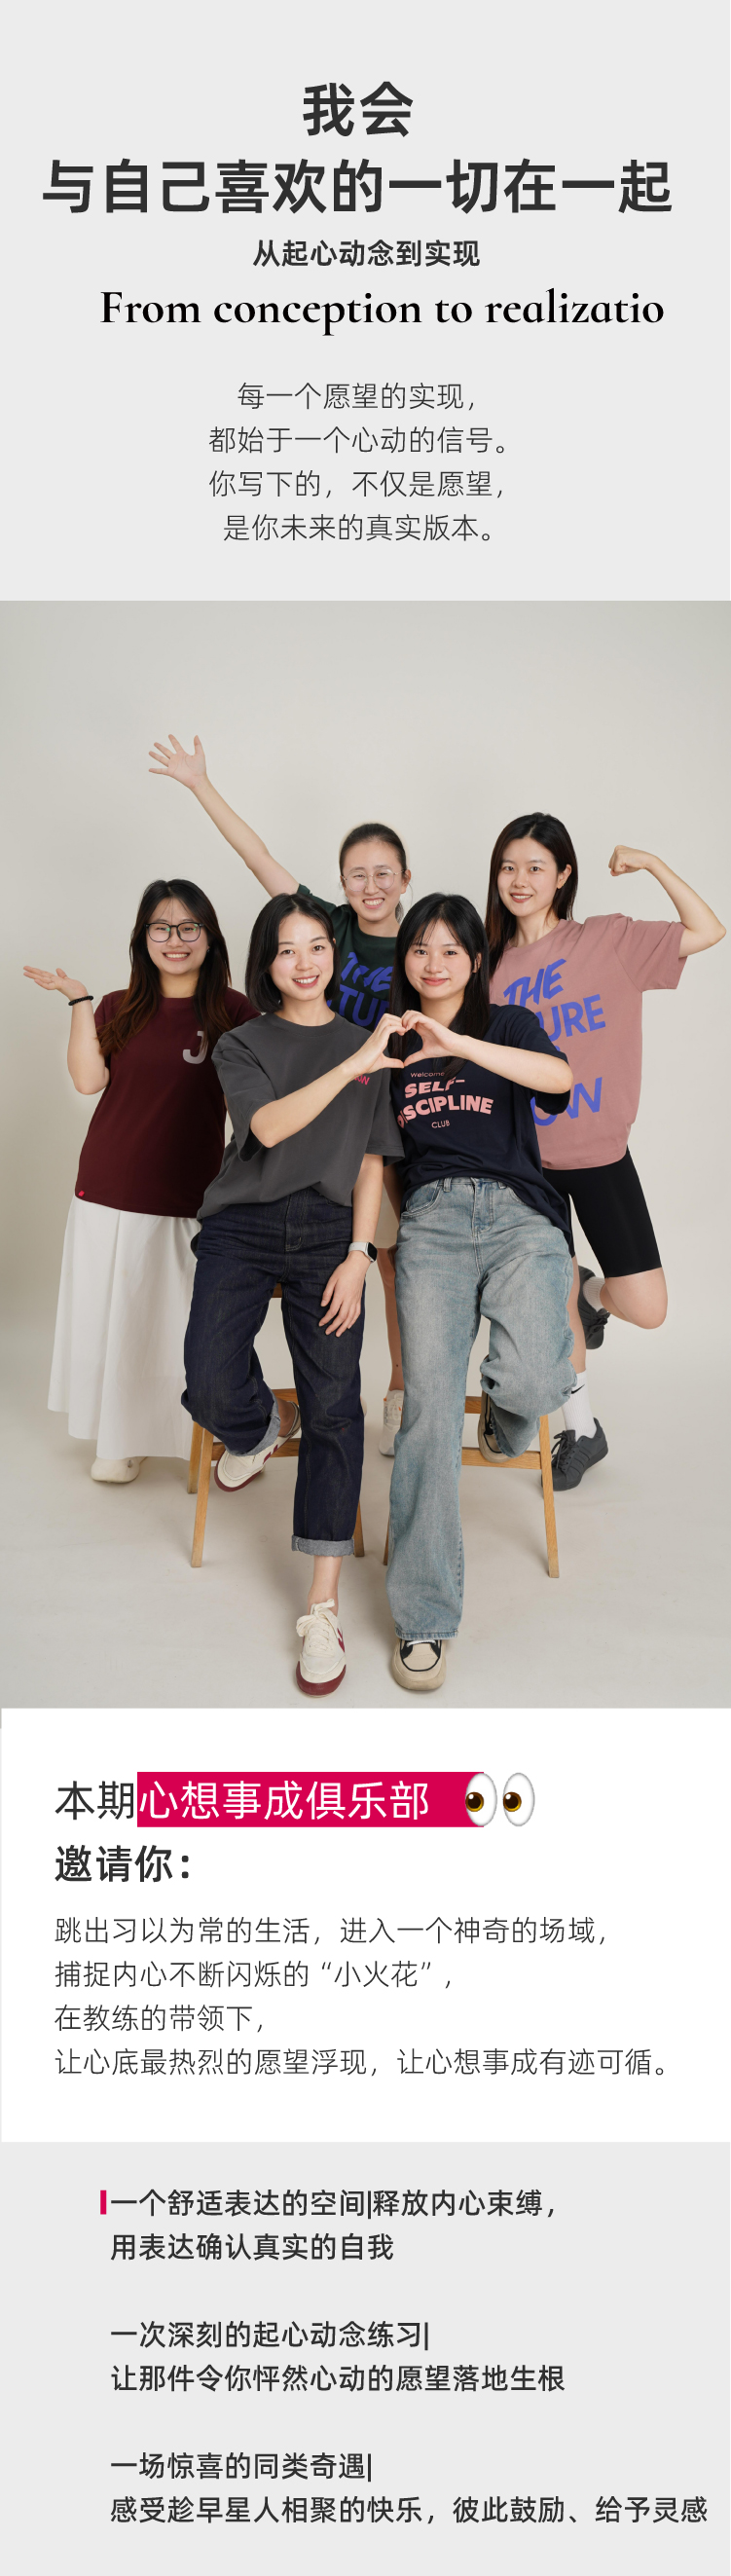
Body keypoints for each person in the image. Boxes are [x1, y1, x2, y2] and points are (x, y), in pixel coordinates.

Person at [149, 729, 410, 1454]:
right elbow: (257, 856)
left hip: (389, 1101)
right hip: (315, 1099)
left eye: (383, 873)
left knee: (398, 1253)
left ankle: (399, 1391)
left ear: (405, 878)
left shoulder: (423, 941)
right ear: (340, 885)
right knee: (363, 1241)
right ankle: (267, 1420)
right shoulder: (325, 931)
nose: (370, 886)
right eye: (356, 874)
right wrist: (200, 784)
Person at [182, 893, 404, 1697]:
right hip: (243, 1219)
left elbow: (372, 1163)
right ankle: (260, 1428)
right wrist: (354, 1064)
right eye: (287, 949)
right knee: (208, 1376)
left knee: (336, 1405)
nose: (305, 962)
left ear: (332, 957)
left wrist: (358, 1253)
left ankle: (322, 1607)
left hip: (328, 1231)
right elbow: (269, 1129)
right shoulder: (243, 1042)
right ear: (267, 964)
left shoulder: (365, 1046)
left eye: (317, 946)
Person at [487, 817, 726, 1488]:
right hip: (524, 1163)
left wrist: (651, 862)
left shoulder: (608, 939)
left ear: (564, 874)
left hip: (599, 1153)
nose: (519, 880)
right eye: (508, 866)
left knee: (647, 1308)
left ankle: (592, 1294)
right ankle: (582, 1429)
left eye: (535, 867)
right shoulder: (488, 966)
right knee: (551, 1299)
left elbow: (708, 930)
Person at [383, 894, 577, 1692]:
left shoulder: (507, 1025)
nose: (433, 964)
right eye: (419, 949)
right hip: (431, 1221)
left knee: (537, 1379)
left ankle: (505, 1416)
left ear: (473, 960)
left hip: (520, 1217)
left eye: (450, 950)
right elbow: (379, 1160)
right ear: (404, 959)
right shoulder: (387, 1044)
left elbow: (559, 1080)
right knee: (428, 1411)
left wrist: (457, 1043)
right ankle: (423, 1616)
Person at [24, 881, 252, 1481]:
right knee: (111, 1320)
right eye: (161, 927)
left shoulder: (233, 1012)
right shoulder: (117, 1005)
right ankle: (120, 1438)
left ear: (210, 937)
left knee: (172, 1324)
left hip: (186, 1197)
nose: (175, 940)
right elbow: (87, 1081)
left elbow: (259, 1099)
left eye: (189, 927)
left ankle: (193, 1433)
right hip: (104, 1188)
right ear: (143, 937)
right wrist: (79, 1000)